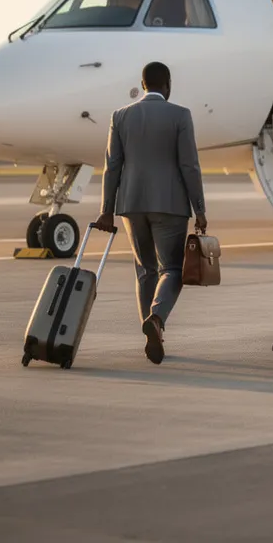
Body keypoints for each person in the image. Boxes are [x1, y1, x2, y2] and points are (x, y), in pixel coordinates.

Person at [96, 61, 207, 365]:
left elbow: (112, 166)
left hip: (131, 205)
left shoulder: (120, 116)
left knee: (145, 270)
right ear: (167, 85)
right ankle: (156, 319)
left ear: (142, 84)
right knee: (172, 269)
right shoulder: (180, 115)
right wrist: (200, 209)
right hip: (170, 205)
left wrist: (106, 210)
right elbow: (189, 165)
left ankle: (150, 328)